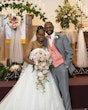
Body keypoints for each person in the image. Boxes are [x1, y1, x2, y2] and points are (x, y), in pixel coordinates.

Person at [0, 26, 65, 110]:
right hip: (33, 71)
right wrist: (36, 64)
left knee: (47, 91)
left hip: (45, 72)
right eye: (39, 34)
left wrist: (46, 63)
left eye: (42, 35)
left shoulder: (45, 45)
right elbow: (25, 57)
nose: (41, 36)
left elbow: (49, 57)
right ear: (36, 34)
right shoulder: (32, 43)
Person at [44, 21, 75, 110]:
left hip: (62, 67)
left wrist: (66, 65)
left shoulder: (62, 37)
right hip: (51, 68)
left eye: (50, 27)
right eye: (46, 28)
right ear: (45, 29)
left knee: (64, 91)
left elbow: (70, 52)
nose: (48, 29)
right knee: (55, 92)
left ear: (53, 27)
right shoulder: (45, 40)